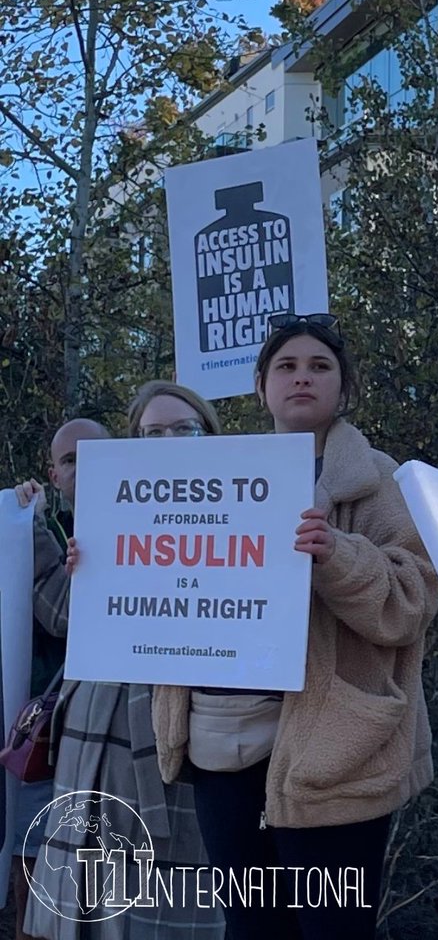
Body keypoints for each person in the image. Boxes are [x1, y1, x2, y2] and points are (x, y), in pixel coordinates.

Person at [153, 312, 438, 940]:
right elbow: (169, 583)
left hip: (334, 751)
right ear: (261, 387)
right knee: (252, 928)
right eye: (285, 366)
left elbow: (412, 603)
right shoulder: (207, 479)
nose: (301, 378)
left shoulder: (381, 484)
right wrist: (102, 564)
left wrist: (338, 556)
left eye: (319, 366)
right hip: (222, 742)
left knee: (330, 932)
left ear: (343, 387)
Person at [22, 383, 222, 940]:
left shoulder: (249, 511)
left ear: (210, 436)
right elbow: (66, 615)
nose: (168, 442)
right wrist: (75, 567)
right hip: (92, 735)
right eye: (153, 433)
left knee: (157, 912)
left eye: (184, 429)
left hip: (180, 742)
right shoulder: (105, 522)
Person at [9, 419, 109, 940]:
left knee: (106, 889)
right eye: (71, 460)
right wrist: (24, 521)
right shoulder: (37, 528)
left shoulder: (149, 525)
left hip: (116, 738)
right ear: (54, 474)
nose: (84, 468)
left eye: (95, 455)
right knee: (35, 887)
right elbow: (59, 617)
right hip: (46, 733)